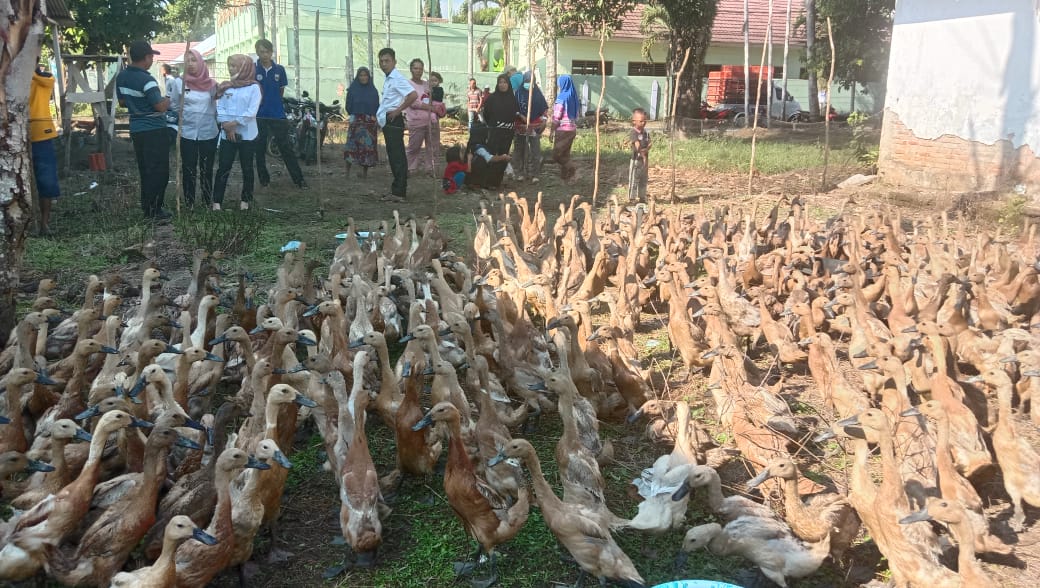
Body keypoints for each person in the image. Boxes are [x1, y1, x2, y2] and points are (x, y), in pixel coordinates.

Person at [116, 40, 172, 221]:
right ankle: (156, 210)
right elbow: (160, 106)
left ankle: (147, 208)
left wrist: (138, 105)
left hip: (137, 129)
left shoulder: (122, 77)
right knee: (160, 171)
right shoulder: (147, 79)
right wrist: (169, 99)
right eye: (151, 57)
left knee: (145, 170)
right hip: (154, 129)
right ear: (147, 57)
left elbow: (123, 102)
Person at [253, 39, 308, 190]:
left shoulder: (279, 70)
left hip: (277, 114)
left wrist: (274, 103)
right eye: (260, 51)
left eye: (266, 51)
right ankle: (264, 180)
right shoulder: (253, 69)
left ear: (271, 52)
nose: (264, 54)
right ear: (257, 52)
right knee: (259, 148)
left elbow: (280, 91)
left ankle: (299, 180)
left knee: (285, 148)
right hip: (258, 115)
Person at [212, 55, 262, 211]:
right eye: (230, 65)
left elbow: (251, 112)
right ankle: (216, 202)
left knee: (247, 167)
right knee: (223, 167)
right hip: (227, 134)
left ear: (244, 67)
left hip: (247, 134)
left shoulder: (254, 88)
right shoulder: (226, 86)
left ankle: (245, 201)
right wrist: (227, 126)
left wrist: (233, 124)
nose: (231, 68)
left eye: (234, 66)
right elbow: (220, 108)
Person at [376, 47, 418, 203]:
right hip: (388, 120)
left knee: (397, 156)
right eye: (381, 61)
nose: (384, 64)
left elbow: (413, 95)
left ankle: (399, 191)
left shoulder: (397, 78)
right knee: (393, 156)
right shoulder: (389, 79)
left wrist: (397, 110)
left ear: (394, 62)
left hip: (394, 119)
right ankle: (397, 189)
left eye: (387, 61)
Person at [178, 49, 219, 207]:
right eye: (187, 60)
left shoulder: (212, 85)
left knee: (206, 169)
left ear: (201, 62)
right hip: (187, 134)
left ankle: (207, 200)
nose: (191, 64)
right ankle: (189, 203)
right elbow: (175, 105)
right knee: (188, 169)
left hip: (208, 133)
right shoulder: (180, 83)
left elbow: (219, 106)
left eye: (194, 60)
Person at [30, 63, 60, 235]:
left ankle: (44, 224)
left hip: (42, 136)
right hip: (15, 135)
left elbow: (45, 82)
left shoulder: (46, 77)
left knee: (46, 181)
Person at [479, 74, 519, 189]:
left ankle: (496, 182)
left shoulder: (512, 99)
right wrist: (494, 124)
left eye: (505, 82)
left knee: (504, 156)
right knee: (492, 154)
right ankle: (488, 181)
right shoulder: (492, 98)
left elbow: (514, 114)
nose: (502, 85)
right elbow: (486, 113)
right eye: (500, 82)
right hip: (495, 131)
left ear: (508, 84)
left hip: (508, 132)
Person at [511, 71, 548, 184]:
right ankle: (520, 173)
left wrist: (544, 121)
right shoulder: (518, 94)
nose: (529, 83)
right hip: (521, 127)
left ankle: (535, 174)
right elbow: (513, 108)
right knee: (519, 150)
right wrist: (519, 115)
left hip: (535, 127)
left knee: (535, 151)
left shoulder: (537, 93)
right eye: (527, 81)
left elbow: (544, 110)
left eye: (531, 81)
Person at [404, 58, 439, 176]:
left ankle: (430, 168)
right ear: (411, 69)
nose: (418, 71)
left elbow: (431, 98)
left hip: (430, 120)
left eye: (420, 68)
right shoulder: (408, 84)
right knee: (414, 146)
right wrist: (429, 107)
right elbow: (414, 103)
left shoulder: (426, 84)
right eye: (415, 68)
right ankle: (411, 167)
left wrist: (435, 107)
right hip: (416, 120)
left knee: (432, 146)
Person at [344, 66, 380, 179]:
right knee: (351, 147)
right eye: (361, 75)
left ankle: (365, 173)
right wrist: (355, 115)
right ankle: (347, 173)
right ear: (357, 77)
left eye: (365, 75)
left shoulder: (373, 91)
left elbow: (376, 106)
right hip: (356, 121)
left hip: (369, 123)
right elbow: (348, 106)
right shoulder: (352, 90)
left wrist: (373, 117)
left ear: (369, 77)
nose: (363, 77)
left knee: (367, 148)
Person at [550, 74, 580, 182]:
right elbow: (577, 115)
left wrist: (551, 131)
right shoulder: (573, 97)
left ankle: (572, 168)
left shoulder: (561, 98)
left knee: (556, 155)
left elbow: (557, 117)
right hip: (572, 129)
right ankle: (565, 176)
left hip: (563, 130)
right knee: (565, 153)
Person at [628, 107, 652, 203]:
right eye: (641, 121)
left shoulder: (645, 132)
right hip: (636, 160)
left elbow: (650, 143)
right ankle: (632, 198)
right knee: (634, 178)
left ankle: (642, 197)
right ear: (634, 121)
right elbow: (637, 145)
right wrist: (642, 153)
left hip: (645, 159)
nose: (643, 123)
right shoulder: (634, 132)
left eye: (645, 121)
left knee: (643, 179)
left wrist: (647, 149)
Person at [162, 64, 183, 141]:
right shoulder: (172, 80)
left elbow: (182, 93)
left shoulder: (172, 80)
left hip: (175, 106)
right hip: (171, 103)